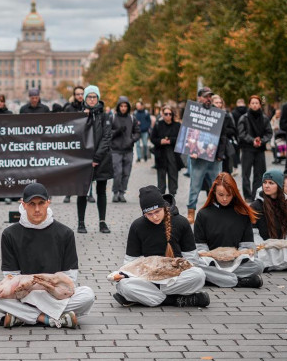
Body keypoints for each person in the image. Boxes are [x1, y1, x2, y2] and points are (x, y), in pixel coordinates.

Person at [0, 183, 95, 329]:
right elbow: (11, 277)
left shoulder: (65, 233)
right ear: (23, 204)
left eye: (41, 203)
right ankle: (48, 319)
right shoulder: (10, 234)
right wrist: (39, 283)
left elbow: (70, 279)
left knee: (87, 295)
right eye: (31, 204)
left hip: (54, 295)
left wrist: (36, 283)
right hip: (23, 296)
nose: (37, 209)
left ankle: (21, 316)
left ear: (48, 203)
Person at [112, 186, 209, 307]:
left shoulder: (181, 222)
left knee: (199, 275)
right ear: (144, 213)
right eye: (149, 214)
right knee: (123, 285)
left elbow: (192, 259)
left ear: (163, 207)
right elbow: (130, 261)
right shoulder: (137, 226)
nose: (154, 217)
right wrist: (123, 275)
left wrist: (179, 269)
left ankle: (146, 297)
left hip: (176, 276)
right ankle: (176, 300)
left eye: (157, 211)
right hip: (148, 278)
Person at [193, 173, 264, 288]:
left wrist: (237, 256)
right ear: (214, 193)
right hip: (211, 263)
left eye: (229, 195)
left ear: (234, 194)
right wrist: (213, 257)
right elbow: (200, 248)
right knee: (195, 265)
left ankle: (215, 279)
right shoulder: (203, 214)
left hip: (236, 262)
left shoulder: (242, 214)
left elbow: (248, 247)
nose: (225, 199)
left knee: (259, 265)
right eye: (221, 195)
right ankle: (238, 282)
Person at [186, 87, 228, 224]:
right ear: (199, 98)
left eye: (210, 96)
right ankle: (191, 212)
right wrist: (190, 150)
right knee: (195, 187)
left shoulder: (218, 114)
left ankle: (217, 211)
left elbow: (223, 136)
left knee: (216, 186)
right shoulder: (194, 113)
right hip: (198, 157)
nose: (208, 99)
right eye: (205, 96)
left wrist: (220, 154)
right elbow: (189, 133)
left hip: (214, 157)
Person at [76, 85, 112, 234]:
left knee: (101, 191)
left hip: (102, 159)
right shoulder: (79, 115)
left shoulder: (105, 116)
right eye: (89, 97)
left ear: (98, 98)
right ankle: (81, 222)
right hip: (84, 160)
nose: (92, 99)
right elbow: (76, 137)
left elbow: (106, 137)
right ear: (85, 98)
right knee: (82, 191)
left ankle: (102, 222)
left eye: (94, 97)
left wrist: (97, 157)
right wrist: (84, 118)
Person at [237, 95, 273, 201]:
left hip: (260, 149)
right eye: (252, 103)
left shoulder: (265, 118)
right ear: (249, 104)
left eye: (256, 103)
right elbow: (241, 133)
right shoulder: (244, 118)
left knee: (259, 174)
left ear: (260, 105)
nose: (254, 105)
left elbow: (269, 133)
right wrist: (252, 140)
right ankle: (247, 196)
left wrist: (261, 141)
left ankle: (255, 195)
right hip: (247, 149)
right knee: (246, 174)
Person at [110, 96, 140, 203]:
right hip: (116, 150)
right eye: (121, 106)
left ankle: (122, 193)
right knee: (117, 173)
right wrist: (117, 131)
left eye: (125, 106)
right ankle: (115, 192)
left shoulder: (132, 118)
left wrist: (132, 139)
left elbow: (137, 132)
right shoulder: (112, 118)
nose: (123, 108)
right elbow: (108, 133)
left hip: (128, 149)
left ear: (128, 107)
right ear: (118, 107)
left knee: (126, 173)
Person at [150, 105, 182, 196]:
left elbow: (181, 139)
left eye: (170, 114)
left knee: (173, 175)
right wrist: (160, 141)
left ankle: (172, 195)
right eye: (166, 114)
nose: (168, 116)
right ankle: (161, 195)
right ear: (162, 114)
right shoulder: (158, 124)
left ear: (172, 115)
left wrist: (170, 141)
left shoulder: (177, 125)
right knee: (161, 176)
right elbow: (152, 138)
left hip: (173, 154)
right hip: (161, 153)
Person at [211, 95, 237, 174]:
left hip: (223, 147)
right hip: (210, 146)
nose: (218, 104)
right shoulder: (208, 115)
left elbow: (233, 130)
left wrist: (223, 130)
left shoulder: (226, 115)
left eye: (220, 103)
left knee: (224, 172)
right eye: (216, 103)